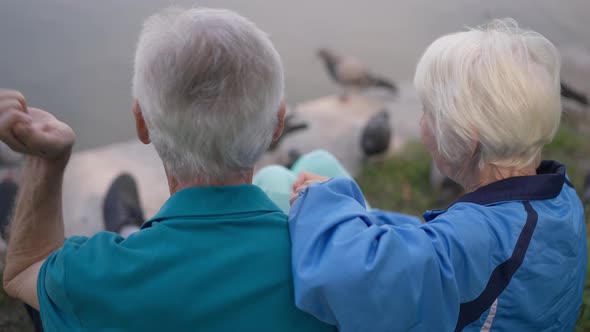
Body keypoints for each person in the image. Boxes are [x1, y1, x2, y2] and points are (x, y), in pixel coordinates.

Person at [0, 7, 336, 332]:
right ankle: (128, 223)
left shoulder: (97, 276)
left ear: (141, 123)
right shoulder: (336, 266)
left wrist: (49, 159)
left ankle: (129, 227)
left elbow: (24, 270)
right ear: (278, 123)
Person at [262, 19, 588, 331]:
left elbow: (352, 281)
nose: (421, 126)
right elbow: (440, 244)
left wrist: (318, 202)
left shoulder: (478, 239)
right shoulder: (560, 198)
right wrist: (370, 220)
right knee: (319, 165)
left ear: (467, 138)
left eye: (428, 114)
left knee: (276, 182)